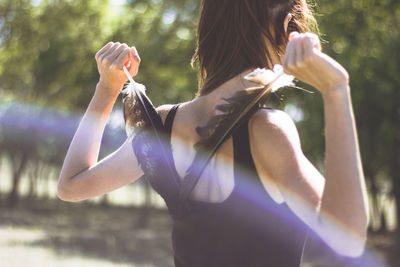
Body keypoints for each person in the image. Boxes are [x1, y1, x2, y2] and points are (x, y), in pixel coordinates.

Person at [57, 0, 369, 266]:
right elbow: (348, 239)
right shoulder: (268, 130)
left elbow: (71, 185)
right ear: (289, 27)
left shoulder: (164, 125)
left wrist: (107, 88)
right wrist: (335, 91)